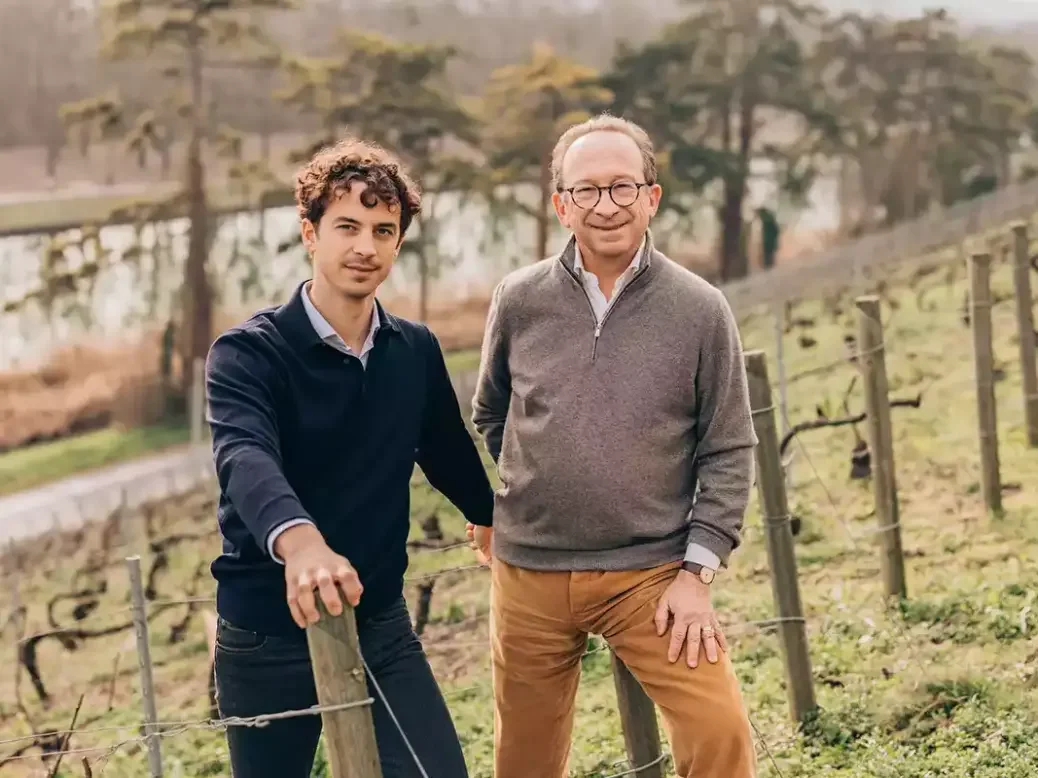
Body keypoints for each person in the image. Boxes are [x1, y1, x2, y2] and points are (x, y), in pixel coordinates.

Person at [468, 114, 759, 778]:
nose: (607, 206)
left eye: (623, 187)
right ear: (560, 205)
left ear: (652, 197)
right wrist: (527, 491)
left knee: (721, 735)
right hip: (528, 577)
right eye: (588, 190)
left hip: (653, 579)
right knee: (523, 761)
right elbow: (492, 413)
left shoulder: (700, 309)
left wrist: (697, 574)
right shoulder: (518, 300)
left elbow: (728, 447)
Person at [205, 137, 493, 778]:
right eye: (348, 226)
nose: (366, 245)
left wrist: (490, 513)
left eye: (383, 230)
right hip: (265, 634)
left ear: (397, 243)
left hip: (380, 624)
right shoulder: (248, 354)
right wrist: (301, 543)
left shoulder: (413, 348)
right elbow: (244, 456)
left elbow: (444, 447)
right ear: (310, 233)